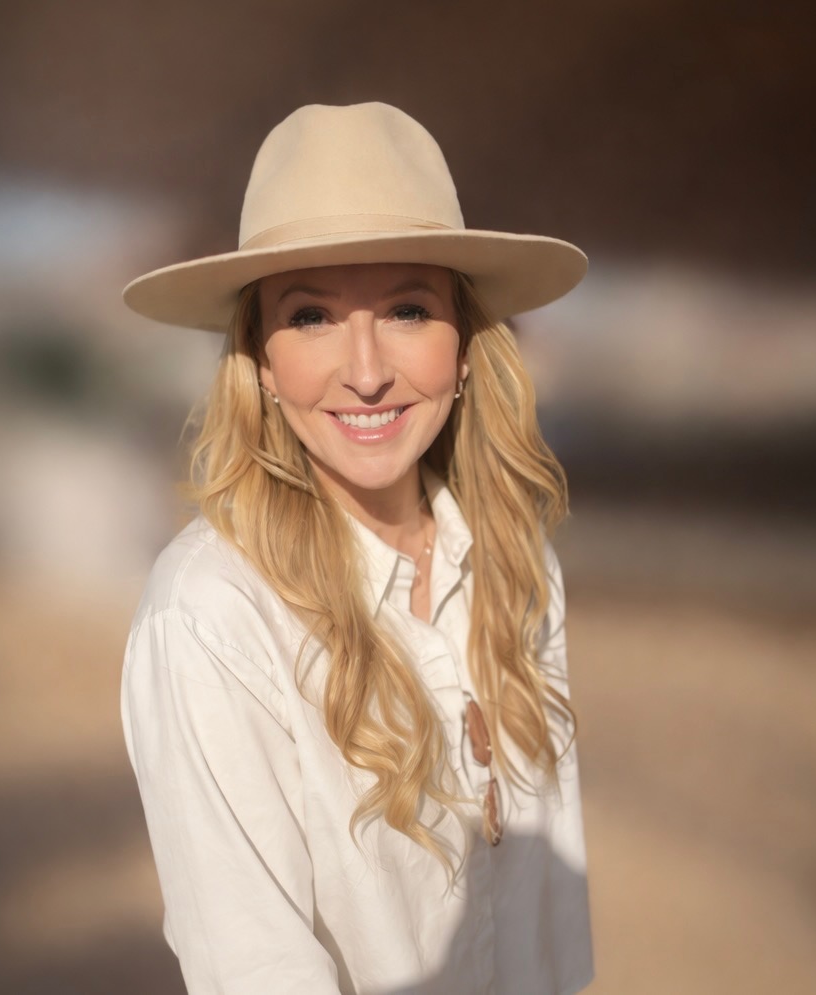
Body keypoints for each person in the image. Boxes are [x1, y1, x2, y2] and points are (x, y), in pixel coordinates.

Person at [121, 102, 593, 995]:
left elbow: (549, 932)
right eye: (312, 317)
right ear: (262, 358)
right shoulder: (212, 616)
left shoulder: (518, 563)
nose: (368, 371)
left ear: (464, 344)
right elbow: (256, 969)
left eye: (408, 309)